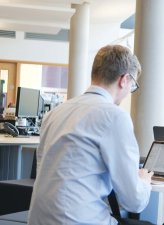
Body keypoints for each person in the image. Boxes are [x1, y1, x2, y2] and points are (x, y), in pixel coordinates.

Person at [28, 45, 153, 225]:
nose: (128, 92)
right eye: (132, 86)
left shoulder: (54, 113)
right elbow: (134, 201)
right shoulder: (114, 116)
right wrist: (143, 181)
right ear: (124, 79)